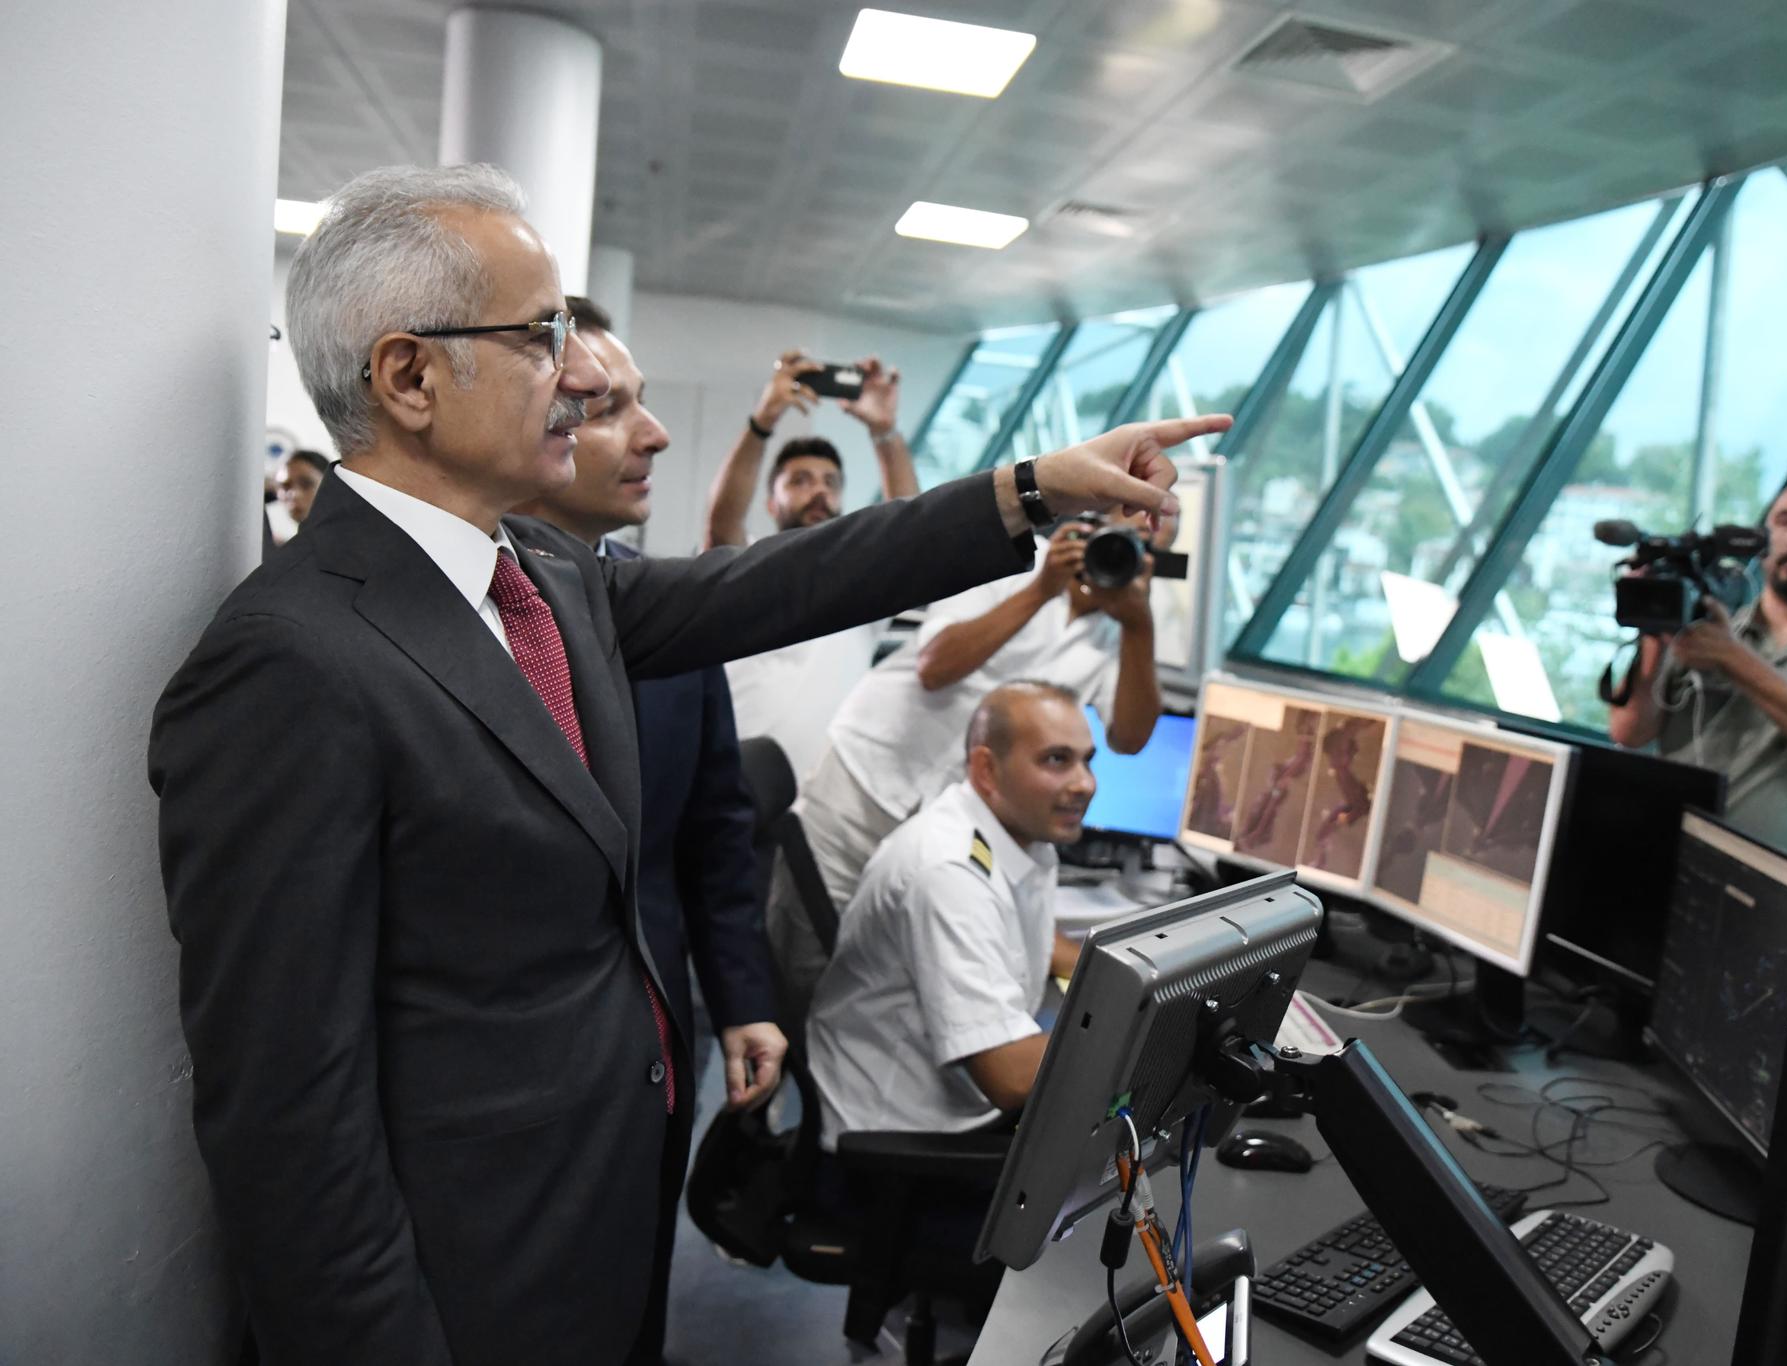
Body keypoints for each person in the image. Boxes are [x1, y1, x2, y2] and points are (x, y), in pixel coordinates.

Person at [148, 162, 1223, 1366]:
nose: (575, 376)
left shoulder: (549, 579)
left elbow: (789, 580)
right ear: (408, 376)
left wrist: (1025, 491)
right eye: (541, 336)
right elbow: (287, 1114)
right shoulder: (291, 662)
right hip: (463, 1262)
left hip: (607, 1195)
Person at [508, 294, 782, 1362]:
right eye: (608, 406)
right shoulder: (448, 633)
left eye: (643, 403)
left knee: (631, 1311)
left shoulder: (664, 611)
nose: (653, 434)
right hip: (516, 1091)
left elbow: (714, 831)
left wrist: (741, 1001)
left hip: (657, 1055)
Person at [793, 513, 1166, 922]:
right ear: (1089, 523)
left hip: (941, 825)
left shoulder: (1123, 630)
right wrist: (1042, 590)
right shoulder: (1009, 562)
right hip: (864, 780)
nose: (1117, 554)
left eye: (1138, 546)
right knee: (805, 940)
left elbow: (1129, 739)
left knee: (885, 959)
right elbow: (935, 667)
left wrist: (1138, 624)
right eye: (1115, 537)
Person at [805, 680, 1093, 1205]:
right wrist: (1147, 1039)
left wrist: (1146, 977)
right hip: (897, 1143)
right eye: (1056, 760)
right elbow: (1008, 1078)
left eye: (1086, 761)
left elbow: (1036, 939)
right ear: (986, 770)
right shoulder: (949, 872)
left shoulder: (1013, 831)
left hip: (946, 1108)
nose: (1084, 784)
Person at [1607, 472, 1787, 868]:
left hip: (1784, 888)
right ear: (1762, 543)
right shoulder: (1700, 628)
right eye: (1785, 521)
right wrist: (1656, 636)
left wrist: (1733, 658)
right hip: (1670, 860)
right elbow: (1630, 731)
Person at [704, 350, 918, 781]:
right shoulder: (745, 568)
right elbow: (722, 523)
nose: (819, 491)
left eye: (830, 483)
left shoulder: (857, 581)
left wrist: (884, 431)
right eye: (800, 481)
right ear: (771, 502)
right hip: (731, 792)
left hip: (820, 812)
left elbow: (911, 532)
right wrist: (764, 419)